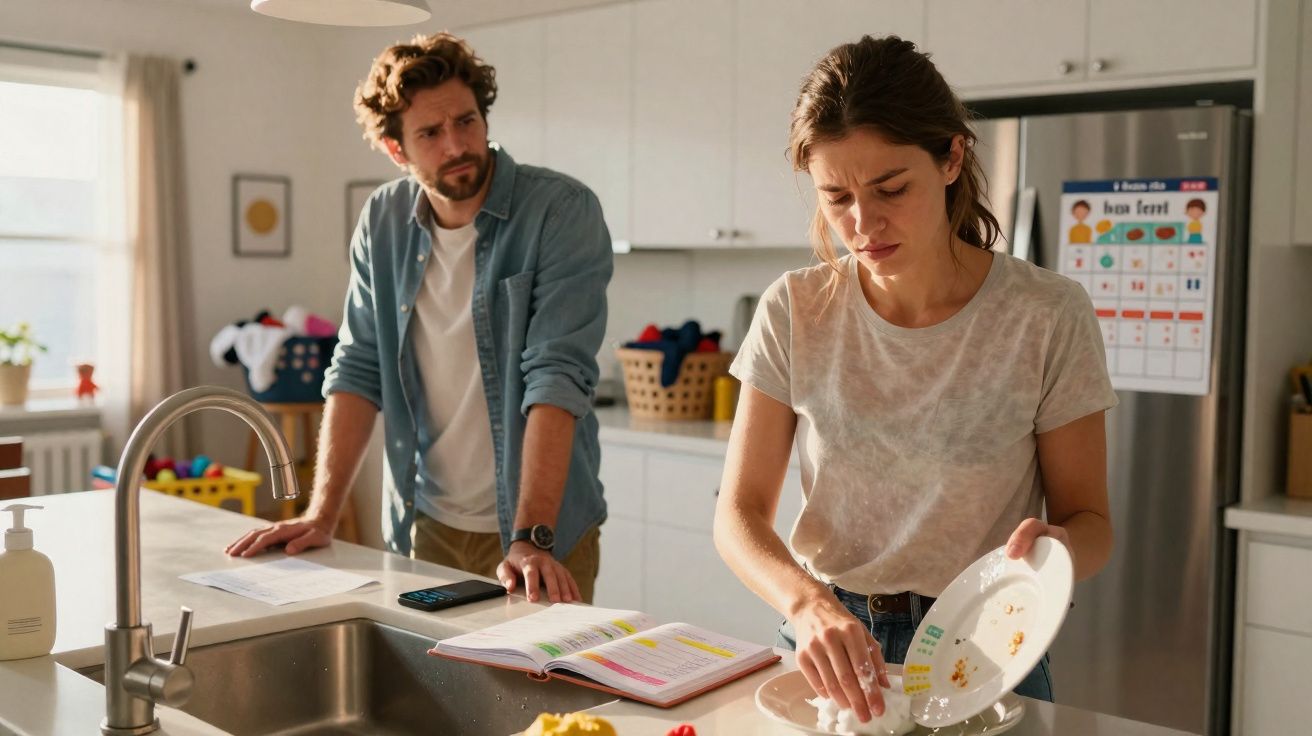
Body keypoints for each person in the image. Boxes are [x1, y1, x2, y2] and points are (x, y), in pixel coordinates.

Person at [713, 35, 1117, 723]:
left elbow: (1093, 523)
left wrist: (1060, 550)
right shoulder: (795, 308)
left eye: (891, 189)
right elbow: (738, 514)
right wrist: (806, 605)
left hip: (985, 642)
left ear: (952, 157)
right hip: (828, 640)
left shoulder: (1046, 315)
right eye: (836, 197)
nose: (863, 224)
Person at [226, 32, 613, 605]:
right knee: (427, 690)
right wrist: (321, 514)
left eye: (467, 121)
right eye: (431, 133)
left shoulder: (559, 211)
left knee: (539, 693)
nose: (457, 144)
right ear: (396, 149)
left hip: (542, 535)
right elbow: (358, 367)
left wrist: (531, 537)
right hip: (421, 525)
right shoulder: (382, 220)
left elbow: (556, 376)